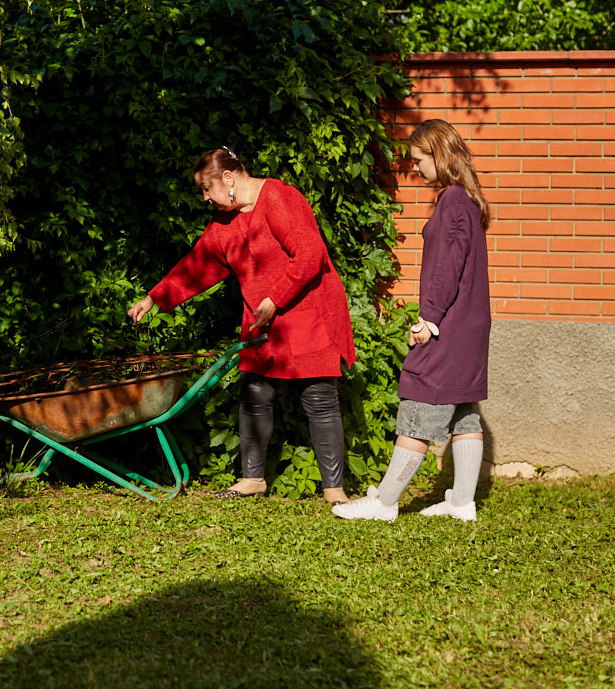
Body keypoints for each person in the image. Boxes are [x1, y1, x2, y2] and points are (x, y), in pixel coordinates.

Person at [127, 146, 356, 504]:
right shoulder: (225, 224)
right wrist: (155, 298)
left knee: (318, 397)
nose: (205, 198)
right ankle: (253, 480)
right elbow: (197, 266)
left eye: (207, 188)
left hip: (307, 310)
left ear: (229, 179)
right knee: (254, 393)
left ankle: (335, 491)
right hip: (263, 317)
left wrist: (275, 298)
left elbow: (310, 254)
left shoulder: (279, 197)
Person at [333, 119, 492, 523]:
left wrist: (429, 319)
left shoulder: (453, 200)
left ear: (440, 155)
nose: (415, 167)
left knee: (419, 401)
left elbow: (446, 266)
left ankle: (385, 502)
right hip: (470, 325)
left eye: (420, 159)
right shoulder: (466, 199)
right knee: (463, 412)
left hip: (450, 324)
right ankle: (462, 502)